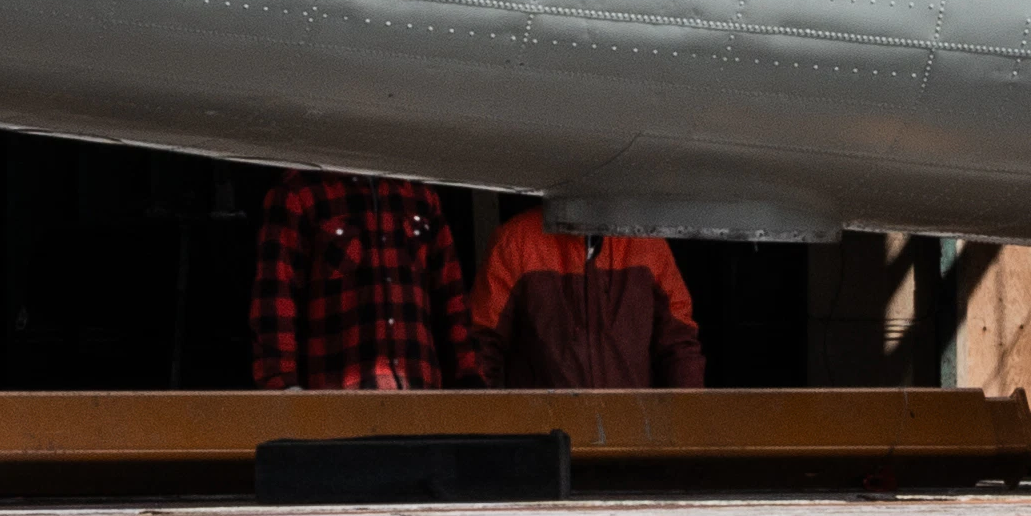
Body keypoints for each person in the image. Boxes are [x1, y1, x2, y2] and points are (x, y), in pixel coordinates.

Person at [245, 172, 468, 390]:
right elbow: (276, 299)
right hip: (338, 407)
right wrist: (283, 387)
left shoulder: (421, 194)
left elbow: (452, 294)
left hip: (422, 401)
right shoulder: (298, 191)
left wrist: (470, 376)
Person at [467, 199, 710, 392]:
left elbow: (680, 345)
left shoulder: (646, 243)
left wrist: (688, 433)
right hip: (545, 443)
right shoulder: (516, 242)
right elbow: (482, 347)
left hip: (630, 441)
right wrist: (487, 440)